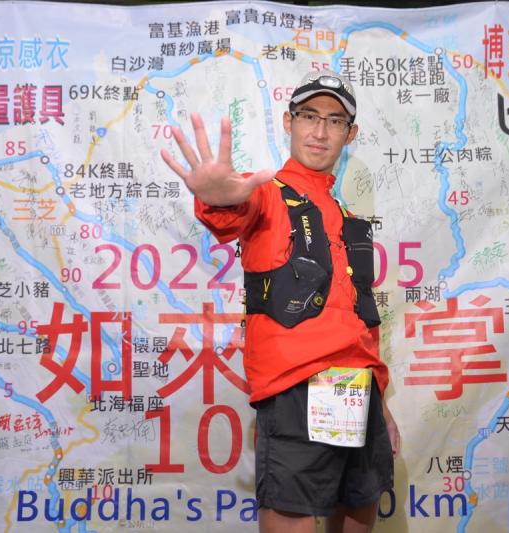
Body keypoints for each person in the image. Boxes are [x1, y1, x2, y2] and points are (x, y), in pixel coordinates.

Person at [161, 69, 400, 533]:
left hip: (359, 389)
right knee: (292, 517)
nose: (320, 131)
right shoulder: (266, 194)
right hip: (296, 388)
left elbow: (361, 319)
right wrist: (217, 197)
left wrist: (381, 402)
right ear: (288, 122)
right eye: (309, 115)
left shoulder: (347, 217)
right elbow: (232, 211)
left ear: (350, 134)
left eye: (334, 120)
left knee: (360, 512)